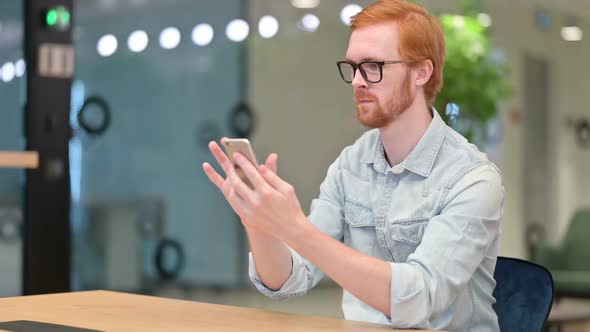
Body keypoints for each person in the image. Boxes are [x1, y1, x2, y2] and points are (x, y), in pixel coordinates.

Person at [202, 0, 504, 330]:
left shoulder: (473, 179)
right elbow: (289, 279)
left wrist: (295, 229)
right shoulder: (351, 165)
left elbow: (420, 298)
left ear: (422, 71)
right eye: (354, 67)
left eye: (373, 66)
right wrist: (258, 221)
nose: (358, 81)